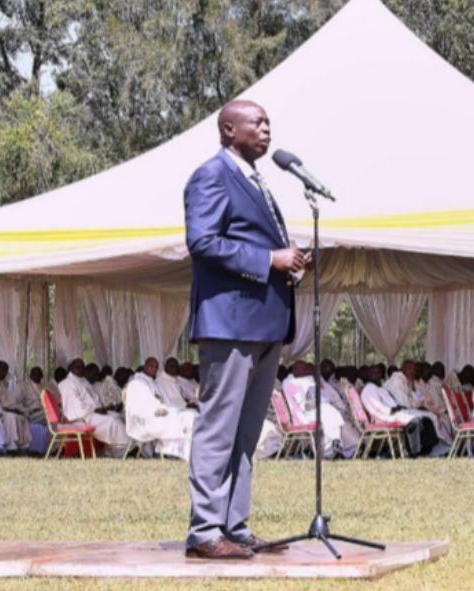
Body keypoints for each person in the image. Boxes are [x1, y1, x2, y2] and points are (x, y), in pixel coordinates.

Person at [184, 99, 304, 559]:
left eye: (270, 121)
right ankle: (205, 531)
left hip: (264, 322)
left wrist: (288, 263)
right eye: (258, 122)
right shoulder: (212, 175)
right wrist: (267, 260)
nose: (267, 129)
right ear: (229, 129)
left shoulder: (259, 181)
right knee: (219, 427)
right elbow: (203, 241)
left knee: (247, 432)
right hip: (230, 322)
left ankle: (235, 524)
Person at [125, 357, 198, 460]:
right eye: (151, 366)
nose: (154, 369)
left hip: (159, 414)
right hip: (145, 421)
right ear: (145, 367)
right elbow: (137, 408)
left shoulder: (152, 382)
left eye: (156, 367)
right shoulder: (137, 383)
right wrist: (158, 410)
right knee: (178, 421)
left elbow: (161, 401)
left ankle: (183, 452)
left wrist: (166, 409)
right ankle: (170, 453)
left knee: (188, 416)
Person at [59, 358, 129, 455]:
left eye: (82, 367)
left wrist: (102, 408)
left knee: (117, 416)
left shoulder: (83, 381)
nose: (80, 369)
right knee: (113, 421)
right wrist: (96, 409)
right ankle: (123, 451)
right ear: (70, 368)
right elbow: (76, 407)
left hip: (93, 412)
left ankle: (114, 450)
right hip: (81, 418)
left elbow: (95, 398)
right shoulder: (66, 384)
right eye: (77, 367)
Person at [0, 361, 31, 453]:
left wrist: (15, 409)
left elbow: (7, 400)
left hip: (5, 408)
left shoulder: (1, 383)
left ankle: (22, 445)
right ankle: (10, 445)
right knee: (11, 416)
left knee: (23, 415)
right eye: (3, 371)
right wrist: (10, 409)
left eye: (6, 372)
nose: (4, 374)